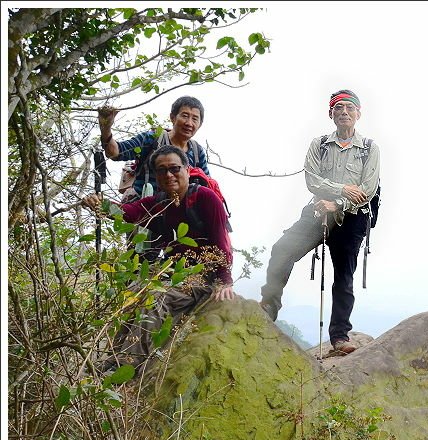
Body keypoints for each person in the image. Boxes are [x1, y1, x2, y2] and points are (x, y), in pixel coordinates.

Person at [83, 145, 235, 373]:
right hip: (175, 272)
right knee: (136, 292)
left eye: (174, 168)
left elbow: (221, 241)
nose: (169, 175)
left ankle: (127, 367)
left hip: (203, 276)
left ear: (186, 169)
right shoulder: (159, 202)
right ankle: (113, 359)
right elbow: (128, 212)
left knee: (156, 298)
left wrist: (224, 280)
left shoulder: (205, 198)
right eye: (162, 171)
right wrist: (101, 205)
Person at [259, 89, 380, 356]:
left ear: (359, 113)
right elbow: (311, 179)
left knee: (343, 276)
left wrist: (337, 202)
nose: (344, 112)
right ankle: (269, 306)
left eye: (349, 108)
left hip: (352, 218)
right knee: (283, 249)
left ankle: (340, 336)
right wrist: (342, 189)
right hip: (317, 211)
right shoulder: (320, 144)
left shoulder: (369, 148)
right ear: (331, 114)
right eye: (339, 108)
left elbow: (367, 189)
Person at [98, 96, 210, 199]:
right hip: (143, 211)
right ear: (172, 117)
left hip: (179, 214)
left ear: (200, 124)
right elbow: (115, 152)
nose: (189, 123)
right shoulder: (153, 138)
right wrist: (106, 129)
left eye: (195, 119)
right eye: (185, 116)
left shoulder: (197, 151)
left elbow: (207, 185)